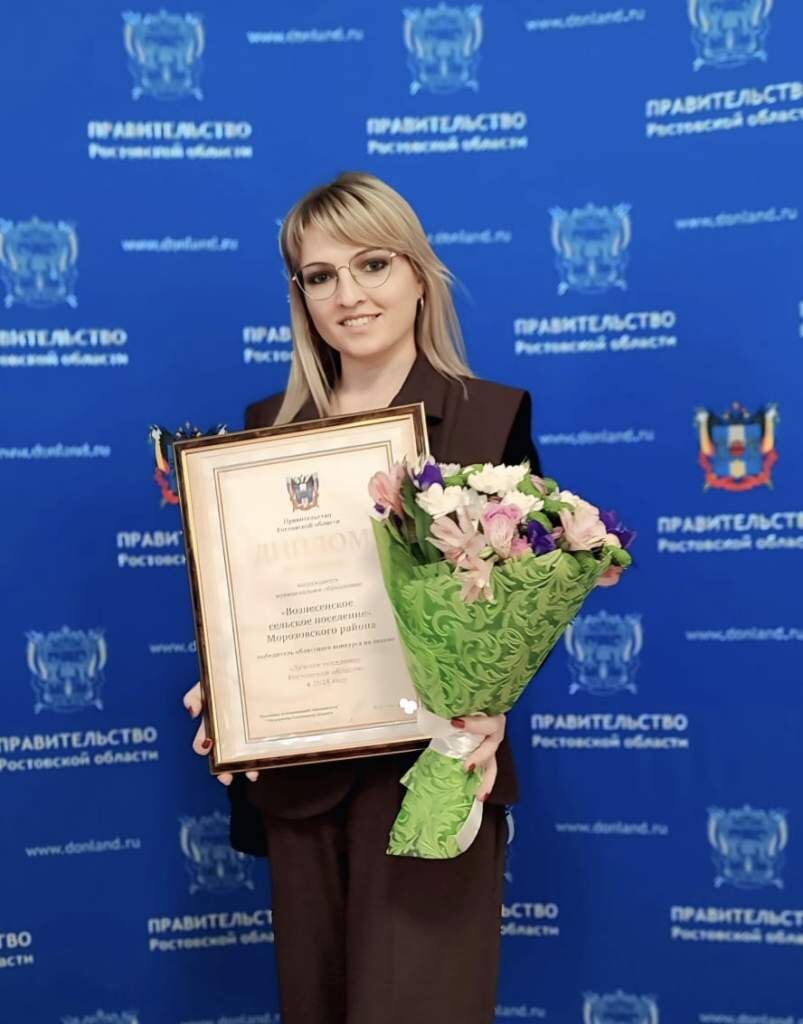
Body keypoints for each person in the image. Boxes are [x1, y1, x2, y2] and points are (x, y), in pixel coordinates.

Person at [182, 171, 621, 1024]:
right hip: (301, 785)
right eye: (320, 276)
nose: (348, 295)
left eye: (372, 264)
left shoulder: (489, 417)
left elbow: (518, 599)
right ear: (300, 297)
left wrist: (490, 701)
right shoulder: (264, 430)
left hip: (435, 772)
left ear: (420, 273)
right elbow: (257, 599)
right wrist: (230, 689)